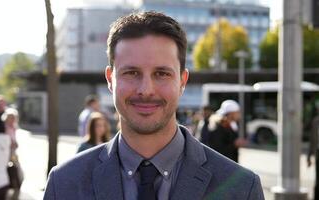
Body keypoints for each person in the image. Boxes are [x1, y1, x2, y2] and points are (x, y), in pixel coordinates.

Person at [44, 11, 264, 199]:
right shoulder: (64, 184)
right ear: (110, 80)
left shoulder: (242, 189)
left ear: (182, 82)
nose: (146, 89)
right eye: (131, 73)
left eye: (161, 73)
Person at [2, 107, 24, 199]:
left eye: (13, 118)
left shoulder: (14, 128)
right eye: (10, 118)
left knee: (18, 172)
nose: (12, 120)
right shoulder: (3, 128)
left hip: (13, 153)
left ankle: (15, 186)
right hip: (6, 154)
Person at [308, 106, 319, 200]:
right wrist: (309, 157)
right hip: (318, 153)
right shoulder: (315, 121)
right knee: (317, 180)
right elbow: (312, 140)